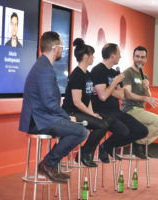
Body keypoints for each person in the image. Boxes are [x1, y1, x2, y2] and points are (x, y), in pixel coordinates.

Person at [19, 31, 88, 183]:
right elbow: (49, 103)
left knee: (73, 129)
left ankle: (52, 164)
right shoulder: (44, 69)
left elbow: (49, 102)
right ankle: (48, 163)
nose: (62, 50)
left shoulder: (42, 65)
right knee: (81, 131)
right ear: (55, 47)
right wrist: (65, 117)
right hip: (39, 120)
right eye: (61, 47)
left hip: (42, 117)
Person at [91, 43, 148, 163]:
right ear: (112, 55)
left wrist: (107, 89)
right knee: (124, 131)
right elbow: (102, 97)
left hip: (116, 111)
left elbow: (121, 94)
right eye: (118, 54)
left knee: (142, 130)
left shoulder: (115, 72)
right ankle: (106, 148)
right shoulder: (98, 70)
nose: (120, 56)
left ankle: (107, 147)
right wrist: (113, 85)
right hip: (102, 112)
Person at [62, 38, 109, 167]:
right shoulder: (76, 75)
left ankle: (86, 152)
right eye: (92, 55)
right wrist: (92, 115)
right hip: (72, 112)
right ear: (86, 57)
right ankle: (85, 153)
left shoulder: (87, 74)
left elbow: (87, 99)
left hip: (82, 111)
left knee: (104, 123)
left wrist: (93, 113)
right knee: (102, 125)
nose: (94, 57)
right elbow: (77, 102)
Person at [121, 46, 158, 159]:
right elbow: (128, 94)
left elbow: (148, 96)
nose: (139, 59)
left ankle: (140, 143)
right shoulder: (128, 73)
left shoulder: (144, 75)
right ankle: (138, 144)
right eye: (137, 56)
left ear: (146, 59)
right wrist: (145, 99)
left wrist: (147, 88)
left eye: (142, 57)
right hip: (129, 109)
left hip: (140, 109)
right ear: (133, 57)